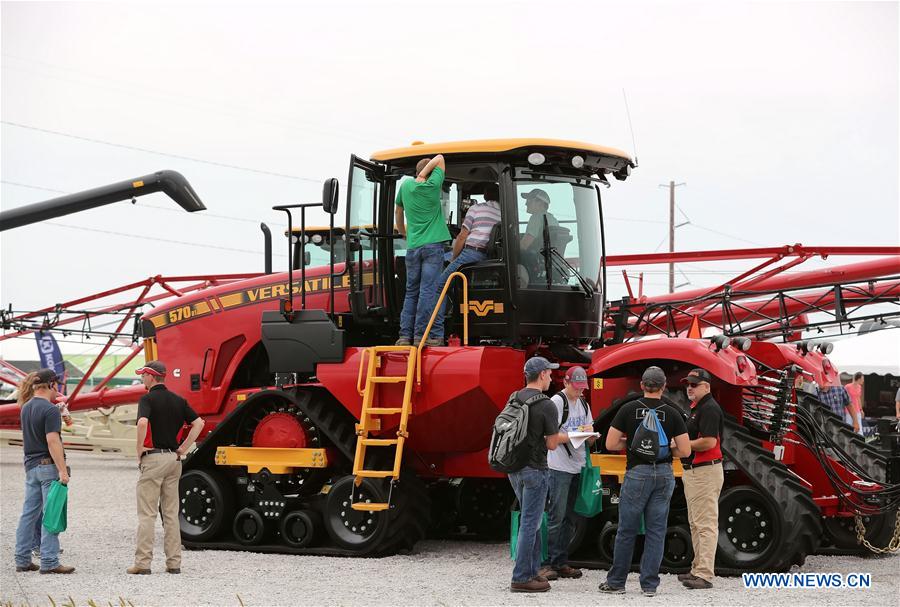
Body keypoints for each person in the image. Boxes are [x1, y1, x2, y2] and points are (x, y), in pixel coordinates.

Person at [599, 366, 690, 597]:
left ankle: (617, 582)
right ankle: (649, 585)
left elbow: (610, 444)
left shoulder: (628, 409)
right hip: (664, 475)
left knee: (627, 530)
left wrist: (631, 446)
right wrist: (667, 449)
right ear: (663, 387)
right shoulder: (673, 412)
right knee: (656, 531)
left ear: (642, 385)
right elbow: (686, 451)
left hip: (637, 473)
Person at [127, 360, 204, 575]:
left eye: (143, 375)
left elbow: (142, 423)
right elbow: (199, 423)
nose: (142, 378)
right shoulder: (179, 400)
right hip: (174, 460)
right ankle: (174, 563)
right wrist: (183, 448)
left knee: (147, 514)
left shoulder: (147, 398)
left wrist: (139, 448)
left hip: (154, 459)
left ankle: (143, 564)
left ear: (151, 376)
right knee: (171, 514)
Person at [509, 357, 570, 593]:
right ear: (542, 374)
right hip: (535, 468)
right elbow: (553, 444)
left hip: (514, 467)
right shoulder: (546, 404)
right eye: (549, 373)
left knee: (529, 519)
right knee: (530, 522)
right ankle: (522, 577)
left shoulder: (514, 397)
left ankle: (532, 571)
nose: (552, 377)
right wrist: (572, 435)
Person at [13, 369, 75, 574]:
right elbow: (52, 440)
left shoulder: (26, 407)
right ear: (52, 385)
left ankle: (22, 559)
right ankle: (49, 561)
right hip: (48, 466)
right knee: (52, 512)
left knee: (29, 514)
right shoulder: (49, 410)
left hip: (30, 466)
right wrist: (62, 471)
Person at [539, 366, 595, 582]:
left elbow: (588, 431)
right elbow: (549, 438)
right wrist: (575, 434)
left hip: (577, 466)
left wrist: (590, 435)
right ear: (566, 383)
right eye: (577, 387)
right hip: (559, 467)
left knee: (571, 518)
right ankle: (548, 563)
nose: (580, 392)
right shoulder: (556, 402)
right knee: (556, 516)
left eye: (583, 388)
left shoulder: (582, 402)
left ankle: (560, 561)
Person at [431, 183, 502, 341]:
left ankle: (435, 333)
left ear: (485, 194)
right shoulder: (502, 212)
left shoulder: (476, 209)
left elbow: (462, 236)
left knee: (438, 286)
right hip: (486, 256)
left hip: (471, 254)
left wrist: (454, 259)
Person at [394, 154, 452, 347]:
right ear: (430, 173)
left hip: (413, 247)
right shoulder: (432, 184)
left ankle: (404, 336)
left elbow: (398, 212)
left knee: (411, 292)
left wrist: (404, 233)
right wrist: (427, 173)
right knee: (428, 291)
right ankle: (422, 335)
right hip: (433, 247)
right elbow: (440, 158)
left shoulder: (406, 186)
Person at [677, 369, 724, 590]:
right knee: (697, 523)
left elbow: (709, 442)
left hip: (704, 472)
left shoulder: (709, 409)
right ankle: (698, 569)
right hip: (697, 471)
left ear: (706, 387)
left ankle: (704, 574)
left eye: (694, 384)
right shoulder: (700, 408)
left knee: (704, 524)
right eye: (688, 384)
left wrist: (681, 446)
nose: (690, 388)